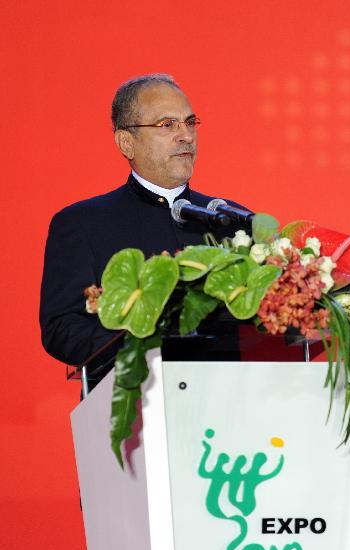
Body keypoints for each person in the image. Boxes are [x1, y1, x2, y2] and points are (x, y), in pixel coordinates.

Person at [40, 74, 246, 386]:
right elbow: (62, 328)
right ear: (126, 142)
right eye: (168, 125)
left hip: (231, 399)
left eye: (190, 122)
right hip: (133, 399)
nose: (186, 136)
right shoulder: (82, 224)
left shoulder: (229, 218)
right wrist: (143, 344)